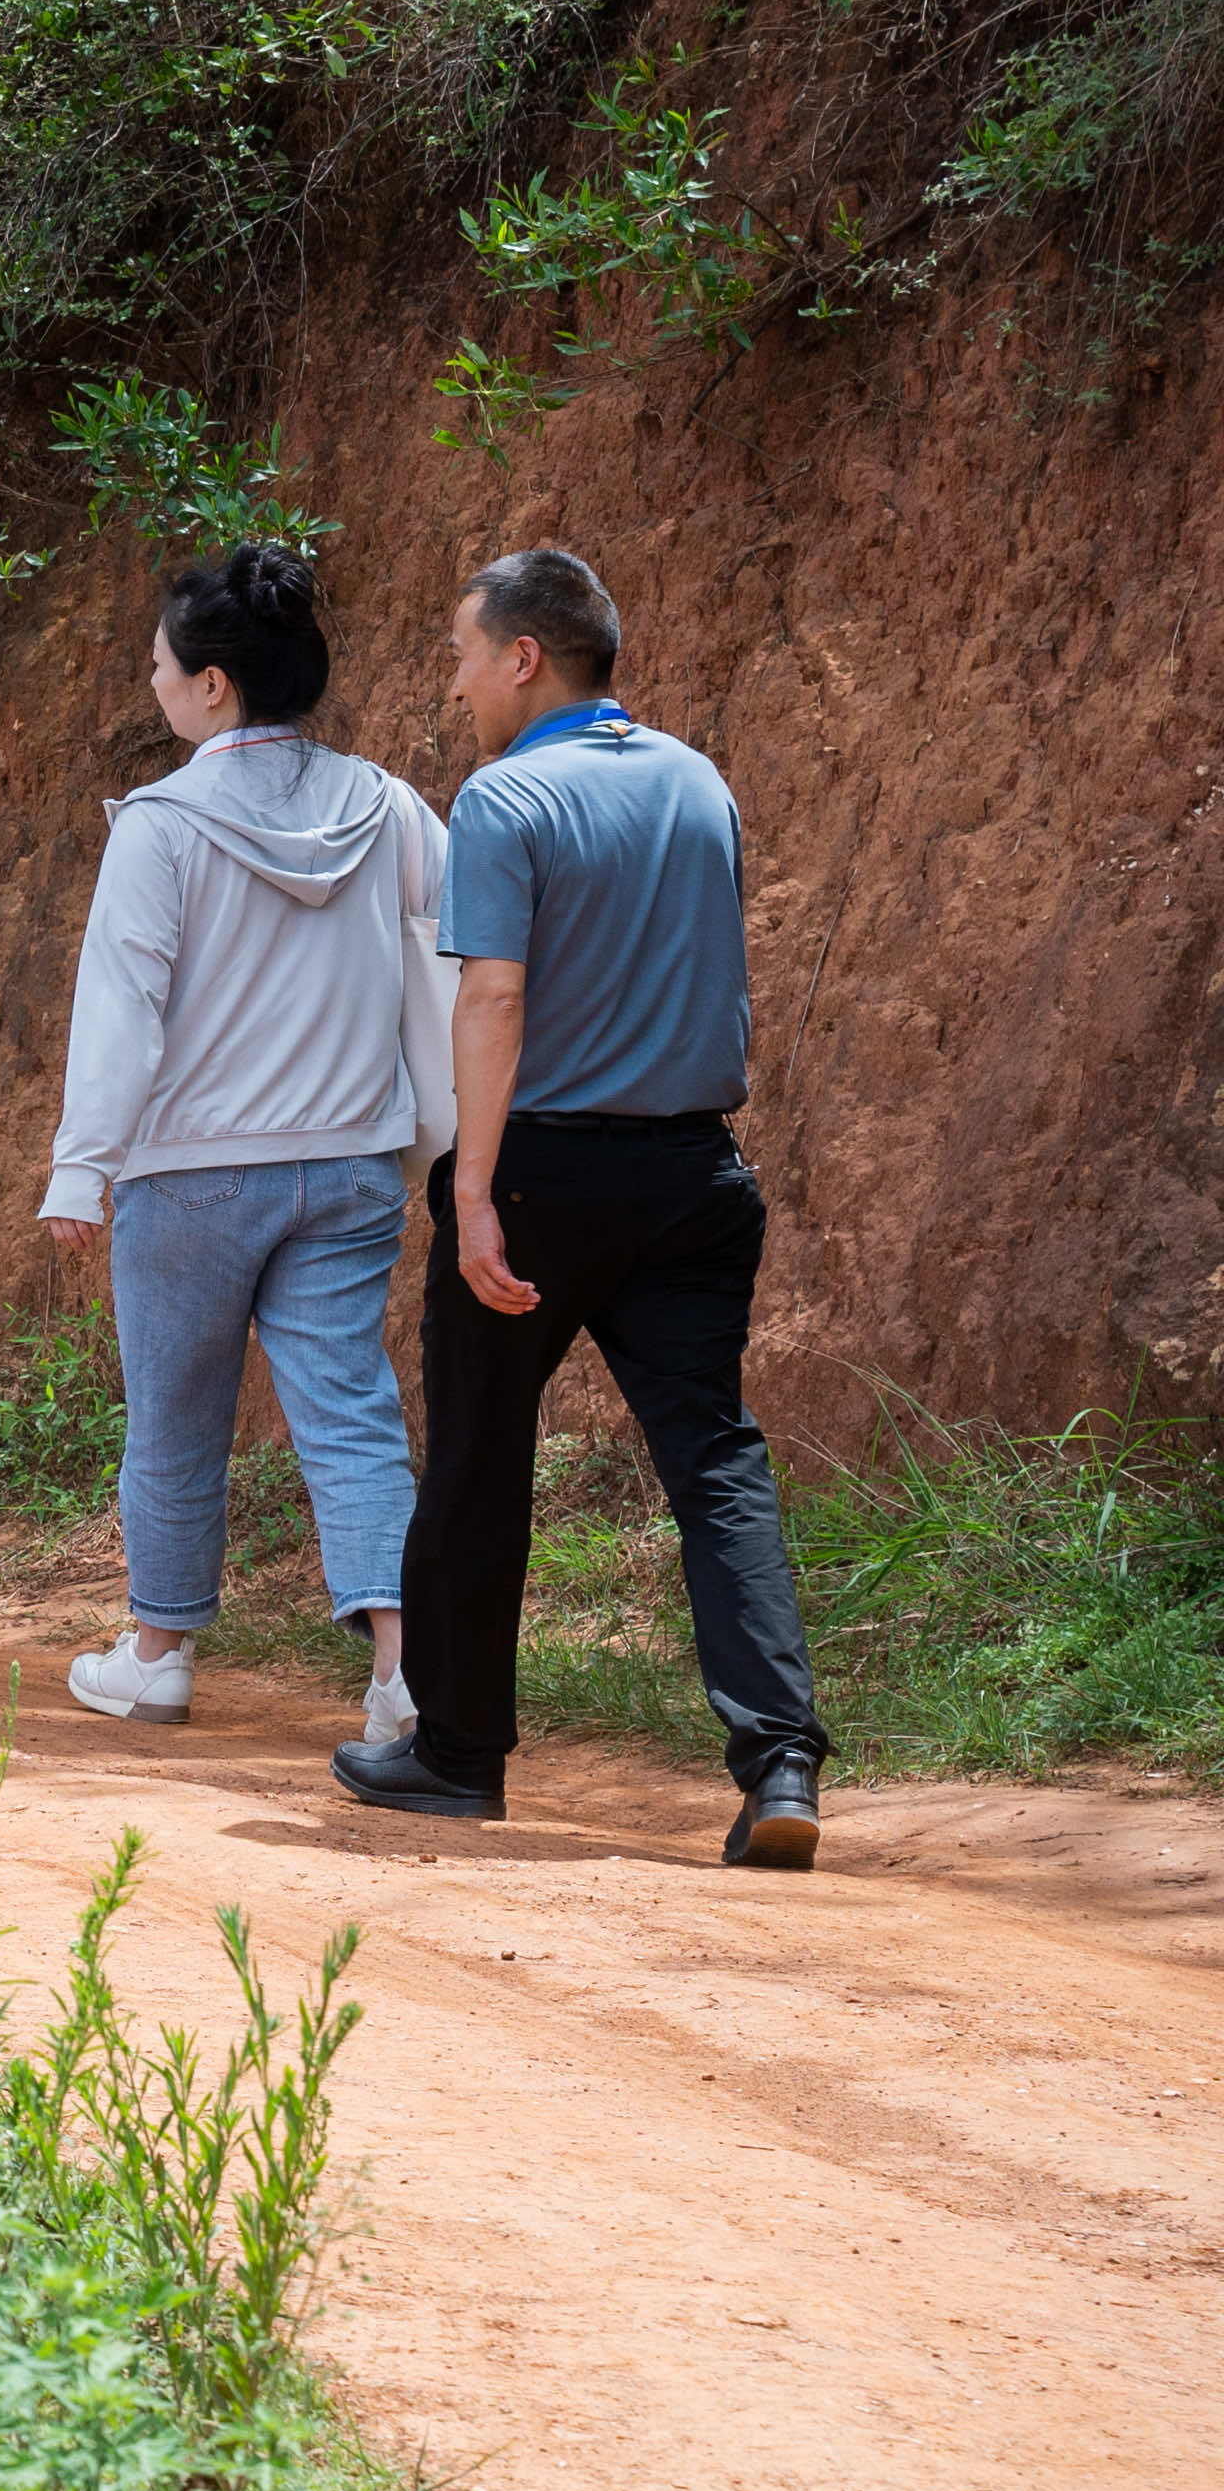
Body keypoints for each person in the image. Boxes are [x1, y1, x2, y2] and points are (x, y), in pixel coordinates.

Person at [338, 547, 831, 1866]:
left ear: (523, 658)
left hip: (546, 1170)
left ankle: (454, 1756)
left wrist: (479, 1191)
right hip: (694, 1174)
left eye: (460, 657)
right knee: (714, 1455)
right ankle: (780, 1764)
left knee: (481, 1453)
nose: (453, 688)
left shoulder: (507, 798)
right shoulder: (701, 783)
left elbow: (491, 1000)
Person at [39, 544, 446, 1740]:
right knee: (352, 1409)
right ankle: (404, 1674)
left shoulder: (159, 827)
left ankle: (158, 1655)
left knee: (174, 1414)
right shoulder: (388, 805)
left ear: (212, 684)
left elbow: (122, 1005)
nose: (153, 682)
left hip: (192, 1175)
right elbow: (464, 954)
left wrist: (82, 1167)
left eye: (162, 667)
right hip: (353, 1163)